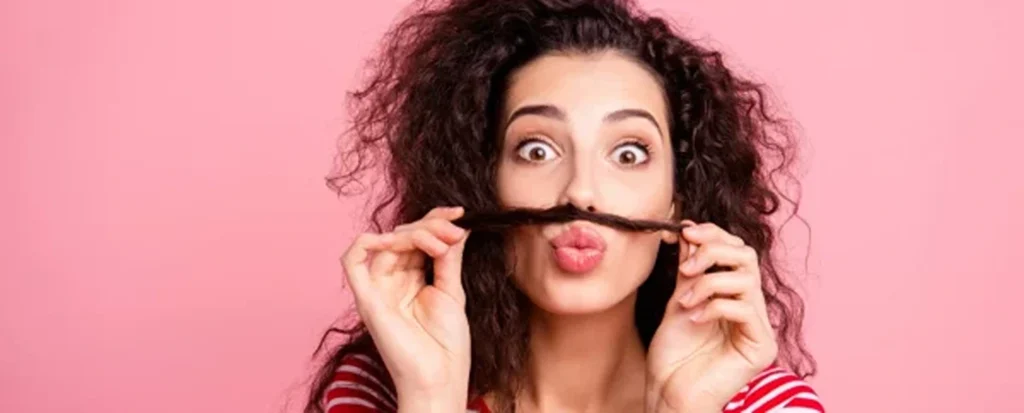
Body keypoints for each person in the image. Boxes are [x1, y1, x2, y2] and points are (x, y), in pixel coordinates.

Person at [306, 0, 823, 412]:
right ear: (482, 184)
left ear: (676, 206)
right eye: (537, 150)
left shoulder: (768, 406)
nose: (580, 192)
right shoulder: (389, 387)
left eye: (628, 153)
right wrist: (431, 398)